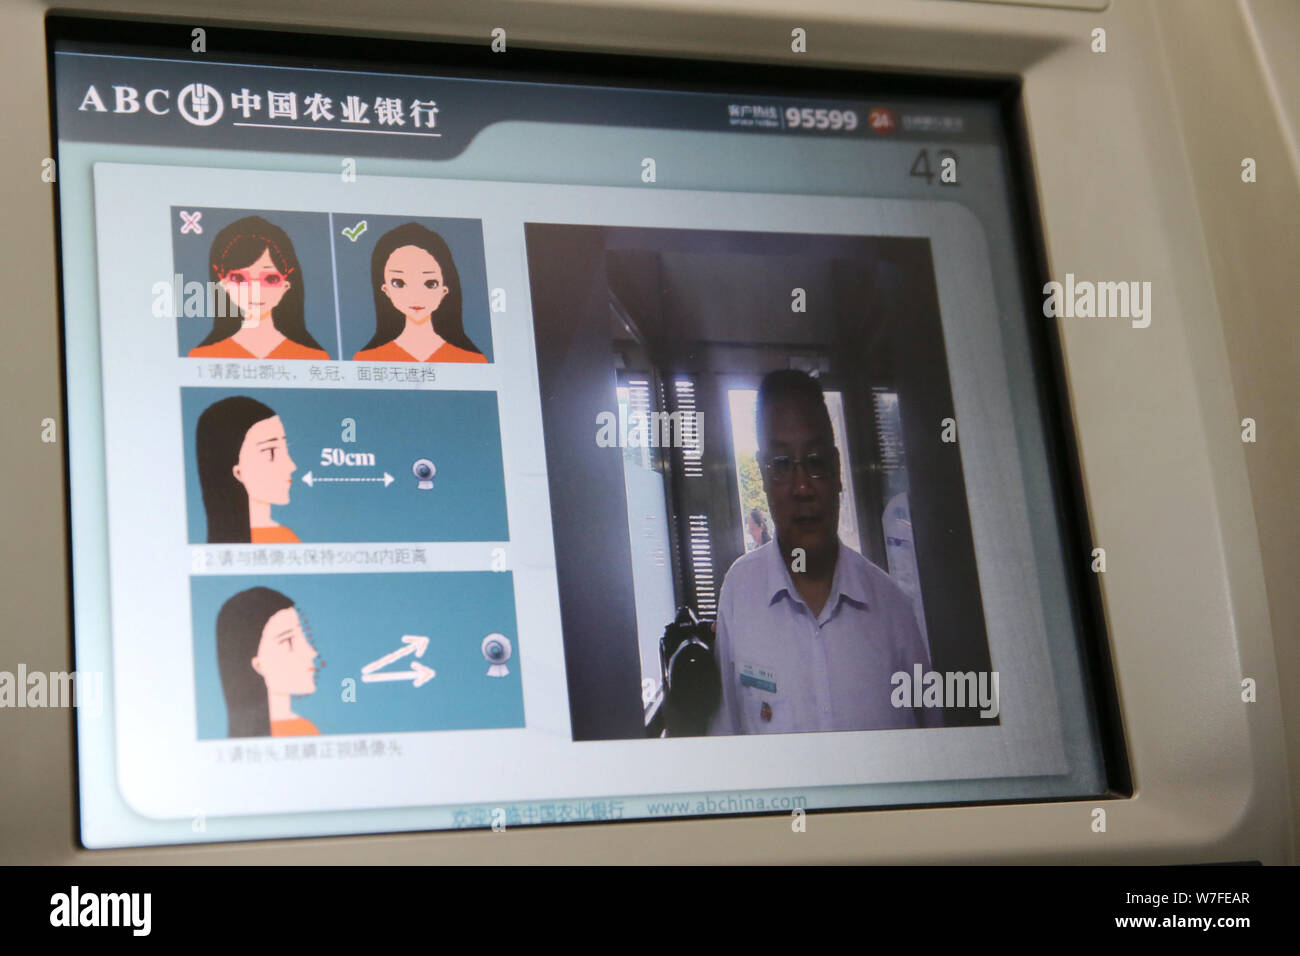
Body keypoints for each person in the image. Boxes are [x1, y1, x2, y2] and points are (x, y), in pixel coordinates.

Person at [707, 370, 937, 734]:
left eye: (815, 461)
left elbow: (936, 748)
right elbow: (727, 742)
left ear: (837, 469)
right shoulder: (739, 592)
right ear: (764, 478)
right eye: (781, 465)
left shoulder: (892, 606)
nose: (802, 487)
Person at [188, 216, 331, 360]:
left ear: (286, 285)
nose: (255, 291)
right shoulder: (202, 357)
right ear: (224, 284)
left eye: (270, 279)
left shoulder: (315, 358)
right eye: (239, 278)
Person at [352, 223, 488, 363]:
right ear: (386, 290)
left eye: (430, 284)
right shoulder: (367, 359)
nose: (415, 296)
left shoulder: (473, 360)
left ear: (444, 290)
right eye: (399, 283)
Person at [216, 586, 321, 738]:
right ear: (257, 665)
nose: (311, 652)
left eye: (302, 636)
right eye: (288, 641)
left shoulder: (304, 729)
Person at [196, 395, 300, 544]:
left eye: (285, 449)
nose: (291, 465)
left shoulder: (285, 537)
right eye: (271, 452)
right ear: (237, 472)